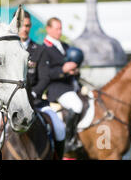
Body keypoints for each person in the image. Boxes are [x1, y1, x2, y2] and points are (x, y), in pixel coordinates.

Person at [18, 11, 65, 158]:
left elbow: (44, 78)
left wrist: (32, 94)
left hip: (36, 101)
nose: (24, 29)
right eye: (21, 25)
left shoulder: (40, 49)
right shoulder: (6, 49)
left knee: (59, 127)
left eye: (27, 25)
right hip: (10, 104)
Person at [42, 17, 82, 152]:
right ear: (48, 29)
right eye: (56, 28)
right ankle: (70, 140)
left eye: (60, 28)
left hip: (73, 85)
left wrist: (75, 70)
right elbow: (46, 73)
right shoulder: (43, 49)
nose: (59, 31)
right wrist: (63, 70)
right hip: (57, 88)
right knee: (77, 106)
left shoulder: (65, 46)